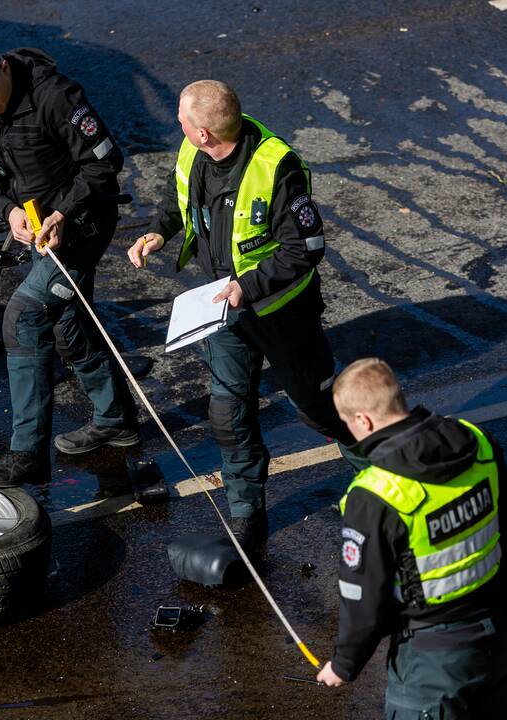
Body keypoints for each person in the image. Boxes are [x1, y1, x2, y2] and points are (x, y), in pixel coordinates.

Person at [127, 80, 355, 551]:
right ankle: (246, 515)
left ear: (205, 132)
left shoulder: (277, 167)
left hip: (281, 314)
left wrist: (246, 287)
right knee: (229, 413)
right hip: (222, 310)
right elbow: (178, 196)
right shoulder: (193, 154)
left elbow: (306, 248)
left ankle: (372, 480)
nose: (179, 127)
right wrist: (158, 233)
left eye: (183, 122)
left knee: (317, 406)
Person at [0, 42, 138, 488]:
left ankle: (27, 455)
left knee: (26, 315)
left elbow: (106, 163)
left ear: (5, 68)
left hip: (83, 225)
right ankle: (116, 419)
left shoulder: (56, 97)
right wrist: (8, 211)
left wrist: (64, 214)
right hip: (35, 229)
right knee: (67, 324)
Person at [316, 358, 507, 719]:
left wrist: (343, 664)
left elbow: (363, 596)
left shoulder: (375, 493)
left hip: (432, 660)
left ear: (363, 420)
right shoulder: (475, 442)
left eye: (348, 423)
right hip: (496, 634)